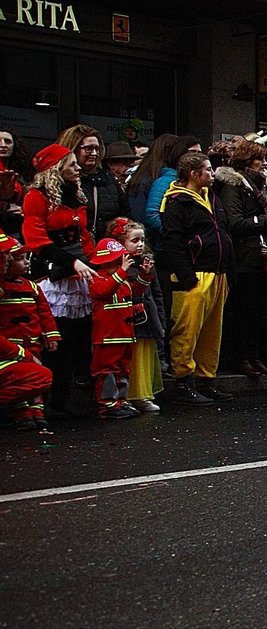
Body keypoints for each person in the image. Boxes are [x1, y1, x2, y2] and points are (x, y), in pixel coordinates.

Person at [21, 143, 96, 417]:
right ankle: (49, 399)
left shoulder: (76, 195)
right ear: (56, 168)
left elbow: (84, 235)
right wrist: (71, 261)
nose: (78, 169)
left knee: (77, 339)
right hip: (51, 277)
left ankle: (65, 396)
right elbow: (36, 240)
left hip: (77, 275)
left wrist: (91, 260)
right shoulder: (36, 196)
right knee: (56, 342)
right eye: (72, 164)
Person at [159, 151, 235, 406]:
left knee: (212, 332)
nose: (212, 174)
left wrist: (229, 272)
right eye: (208, 170)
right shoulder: (176, 202)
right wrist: (187, 277)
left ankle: (206, 378)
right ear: (194, 174)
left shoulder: (211, 198)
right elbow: (173, 242)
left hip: (218, 273)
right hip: (194, 275)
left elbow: (222, 232)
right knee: (187, 330)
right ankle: (183, 380)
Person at [212, 138, 267, 379]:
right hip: (244, 259)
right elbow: (235, 222)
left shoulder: (257, 187)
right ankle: (240, 357)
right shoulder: (233, 187)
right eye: (259, 159)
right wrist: (265, 223)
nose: (263, 164)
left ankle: (255, 355)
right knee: (242, 312)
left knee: (257, 312)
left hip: (260, 258)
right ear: (247, 161)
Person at [87, 229, 154, 418]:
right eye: (116, 261)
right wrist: (122, 271)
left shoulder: (121, 280)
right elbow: (104, 291)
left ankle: (120, 401)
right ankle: (107, 405)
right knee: (106, 370)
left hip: (125, 334)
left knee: (122, 369)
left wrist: (144, 276)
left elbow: (135, 292)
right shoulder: (97, 278)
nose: (120, 264)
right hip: (107, 337)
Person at [0, 231, 56, 431]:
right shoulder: (3, 288)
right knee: (26, 379)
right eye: (17, 258)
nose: (25, 263)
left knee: (36, 378)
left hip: (30, 341)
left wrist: (50, 335)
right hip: (11, 342)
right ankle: (22, 414)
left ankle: (37, 412)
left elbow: (44, 312)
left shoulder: (31, 286)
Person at [58, 126, 129, 238]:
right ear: (74, 148)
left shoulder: (108, 179)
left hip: (106, 247)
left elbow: (125, 213)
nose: (94, 153)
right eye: (88, 149)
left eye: (97, 148)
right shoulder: (60, 181)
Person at [136, 134, 203, 237]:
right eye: (192, 152)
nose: (197, 157)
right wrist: (175, 234)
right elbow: (152, 215)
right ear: (180, 154)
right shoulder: (165, 181)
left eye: (199, 153)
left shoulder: (200, 182)